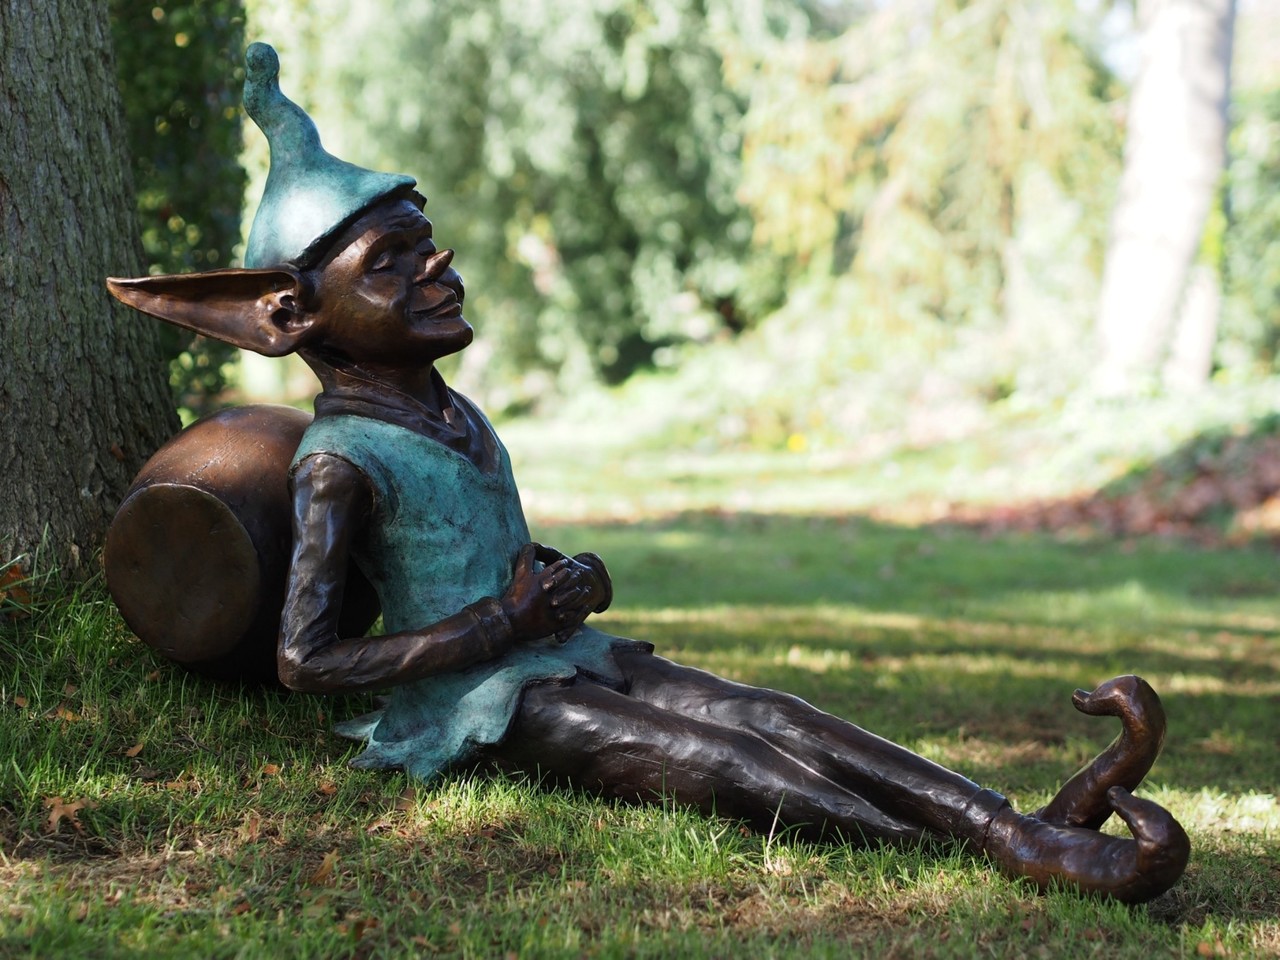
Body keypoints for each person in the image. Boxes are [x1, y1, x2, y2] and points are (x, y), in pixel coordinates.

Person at [107, 43, 1189, 903]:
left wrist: (556, 579)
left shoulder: (453, 413)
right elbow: (307, 658)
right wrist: (500, 628)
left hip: (554, 647)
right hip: (480, 706)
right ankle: (1010, 854)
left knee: (770, 712)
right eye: (389, 261)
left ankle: (1005, 821)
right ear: (293, 317)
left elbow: (479, 548)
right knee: (723, 762)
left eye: (425, 242)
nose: (433, 265)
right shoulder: (339, 459)